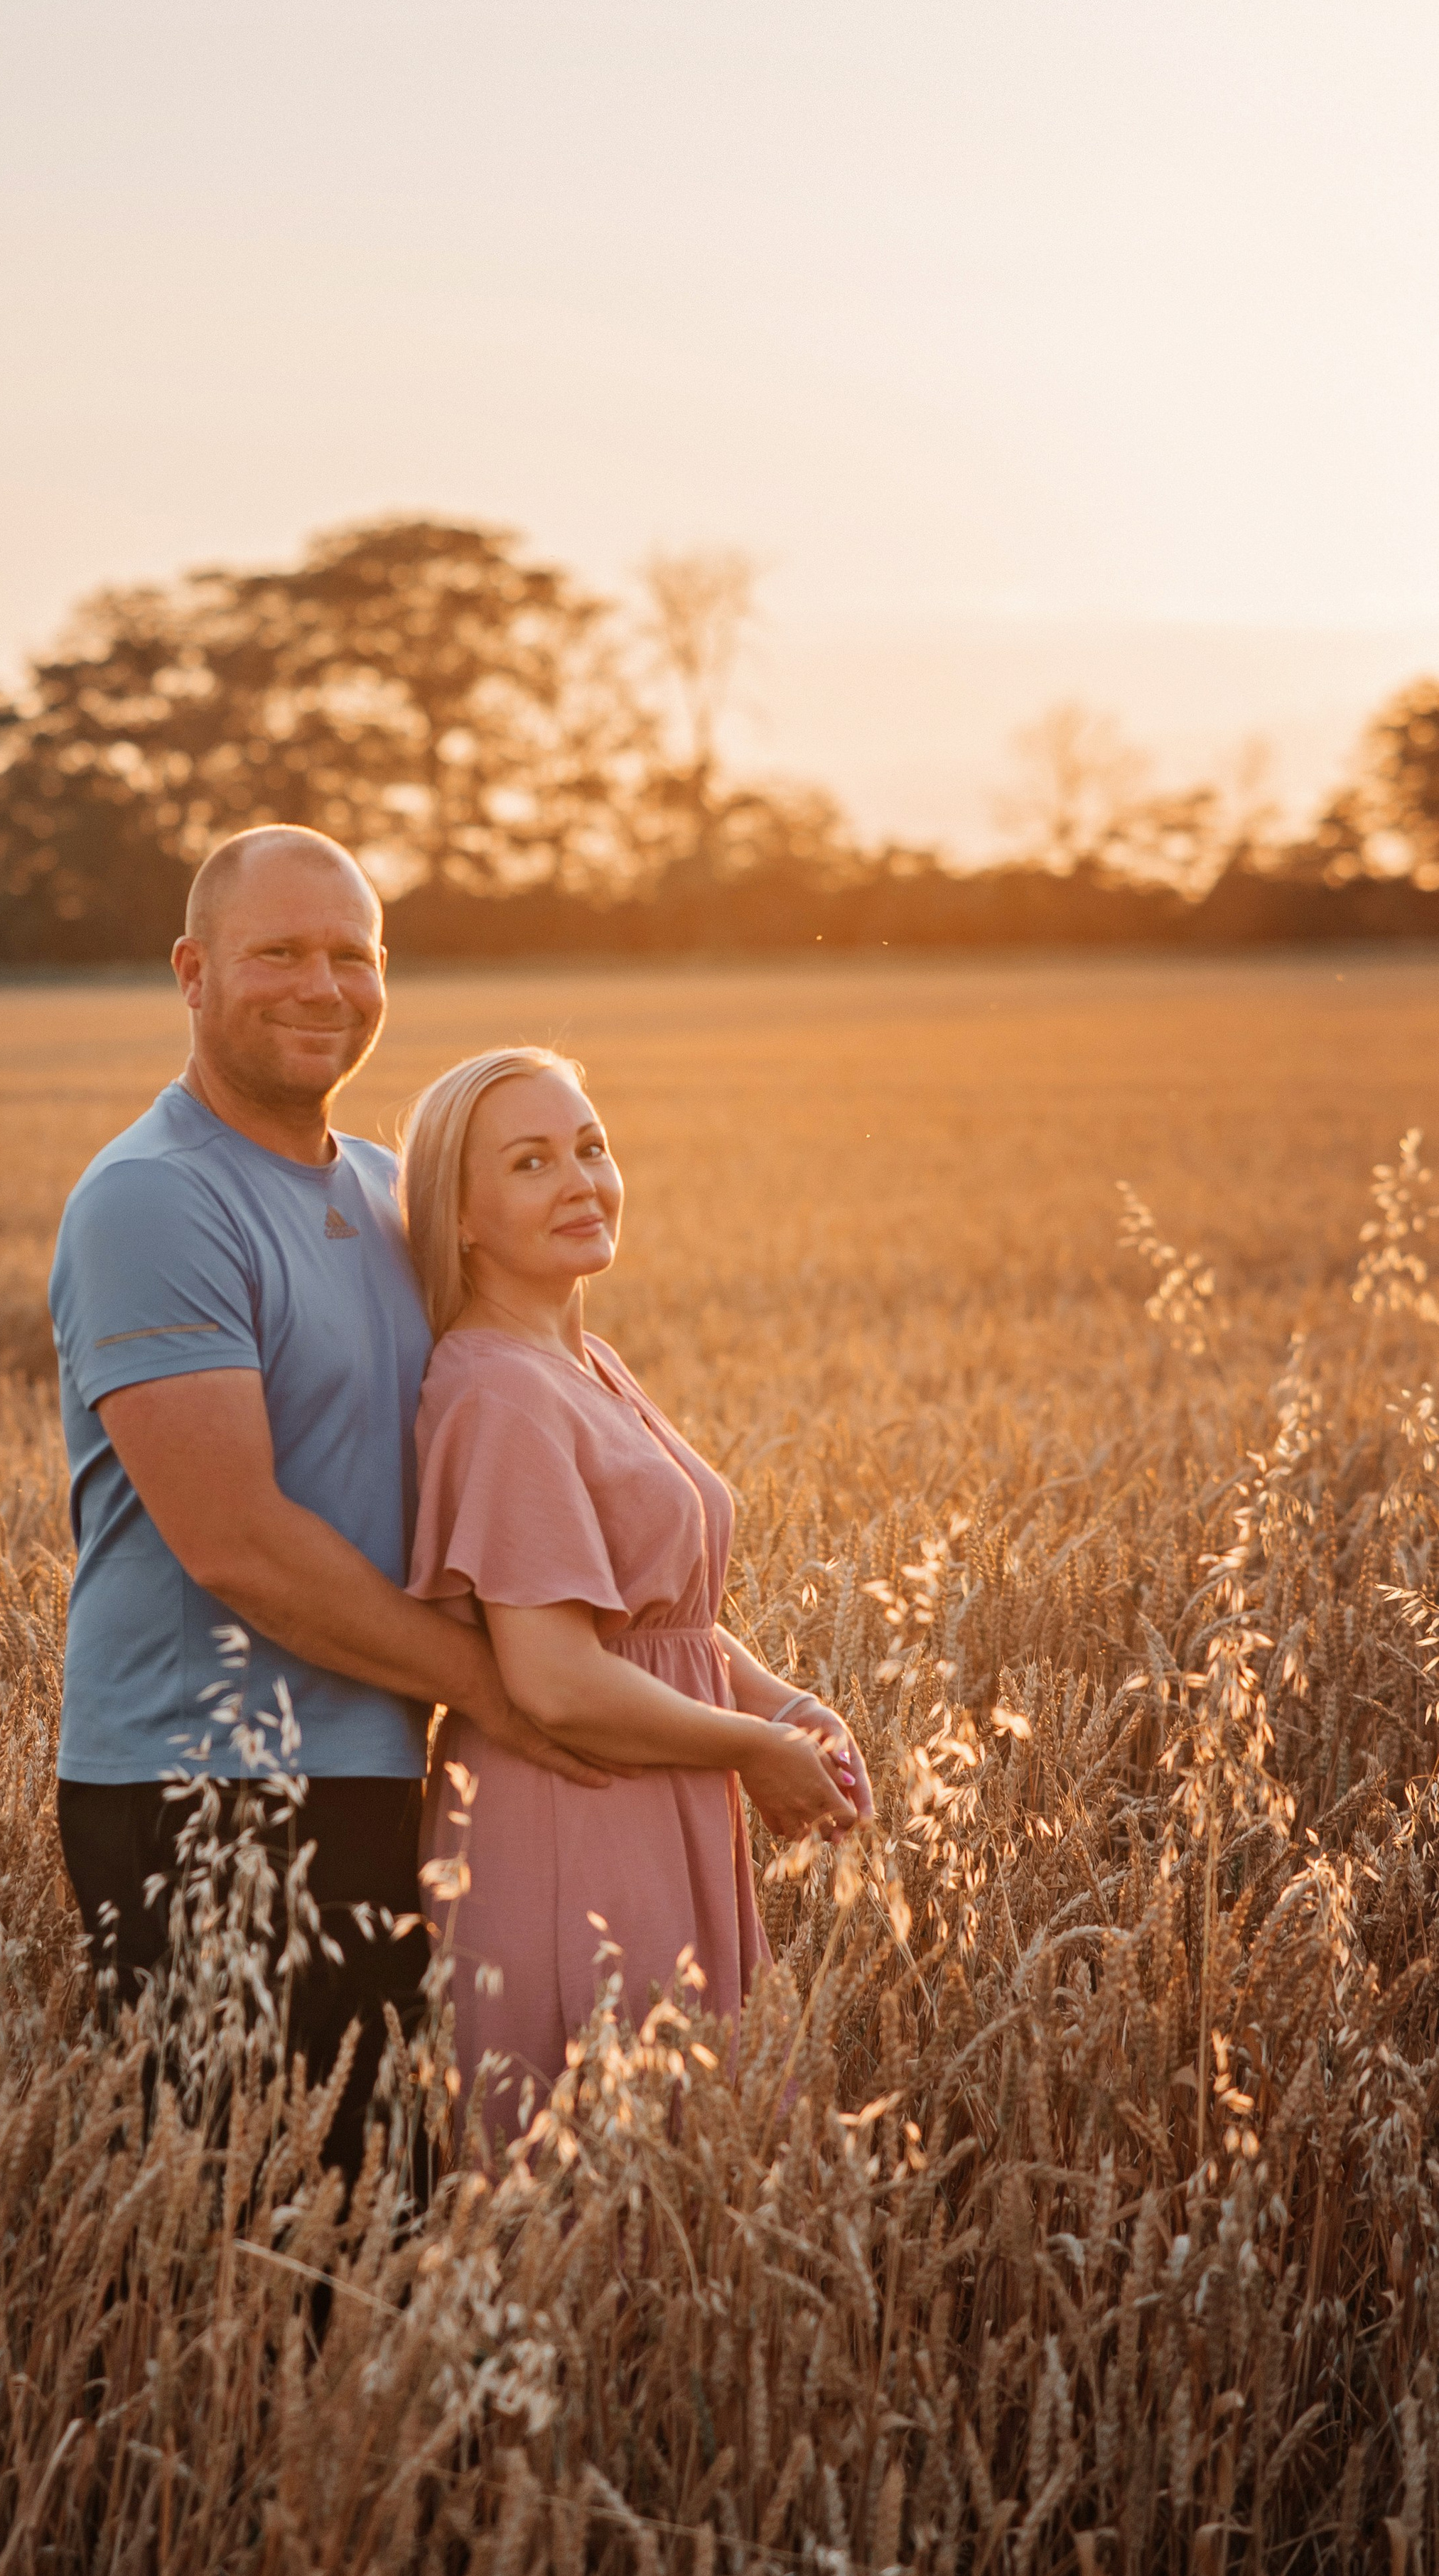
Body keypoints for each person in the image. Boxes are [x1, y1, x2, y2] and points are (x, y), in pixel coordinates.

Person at [48, 830, 603, 2182]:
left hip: (382, 1770)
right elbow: (238, 1545)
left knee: (393, 2218)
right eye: (278, 953)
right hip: (207, 1791)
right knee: (269, 2244)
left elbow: (517, 1433)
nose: (323, 985)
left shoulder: (385, 1191)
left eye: (353, 956)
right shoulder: (154, 1200)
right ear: (191, 972)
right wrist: (513, 1689)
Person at [400, 1047, 873, 2136]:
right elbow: (558, 1680)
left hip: (659, 1789)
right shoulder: (499, 1396)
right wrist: (752, 1751)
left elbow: (663, 1617)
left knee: (684, 2163)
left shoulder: (584, 1358)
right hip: (573, 1815)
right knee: (609, 2183)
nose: (581, 1181)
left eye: (591, 1147)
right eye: (530, 1163)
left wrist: (778, 1704)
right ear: (460, 1218)